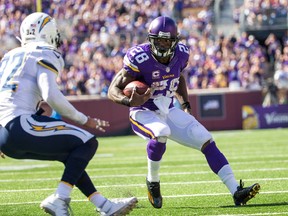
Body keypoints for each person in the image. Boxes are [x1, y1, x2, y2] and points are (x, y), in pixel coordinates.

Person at [108, 16, 260, 208]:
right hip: (143, 111)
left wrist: (186, 105)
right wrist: (127, 100)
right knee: (161, 133)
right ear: (151, 39)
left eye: (167, 40)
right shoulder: (139, 57)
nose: (162, 45)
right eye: (159, 40)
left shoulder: (181, 54)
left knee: (205, 139)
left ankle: (236, 191)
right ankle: (152, 182)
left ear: (175, 41)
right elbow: (113, 88)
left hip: (168, 108)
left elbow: (178, 77)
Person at [0, 12, 137, 216]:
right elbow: (50, 93)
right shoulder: (45, 52)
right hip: (20, 125)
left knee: (70, 155)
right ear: (48, 33)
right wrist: (84, 119)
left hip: (4, 133)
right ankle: (60, 198)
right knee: (87, 142)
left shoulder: (10, 56)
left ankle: (104, 206)